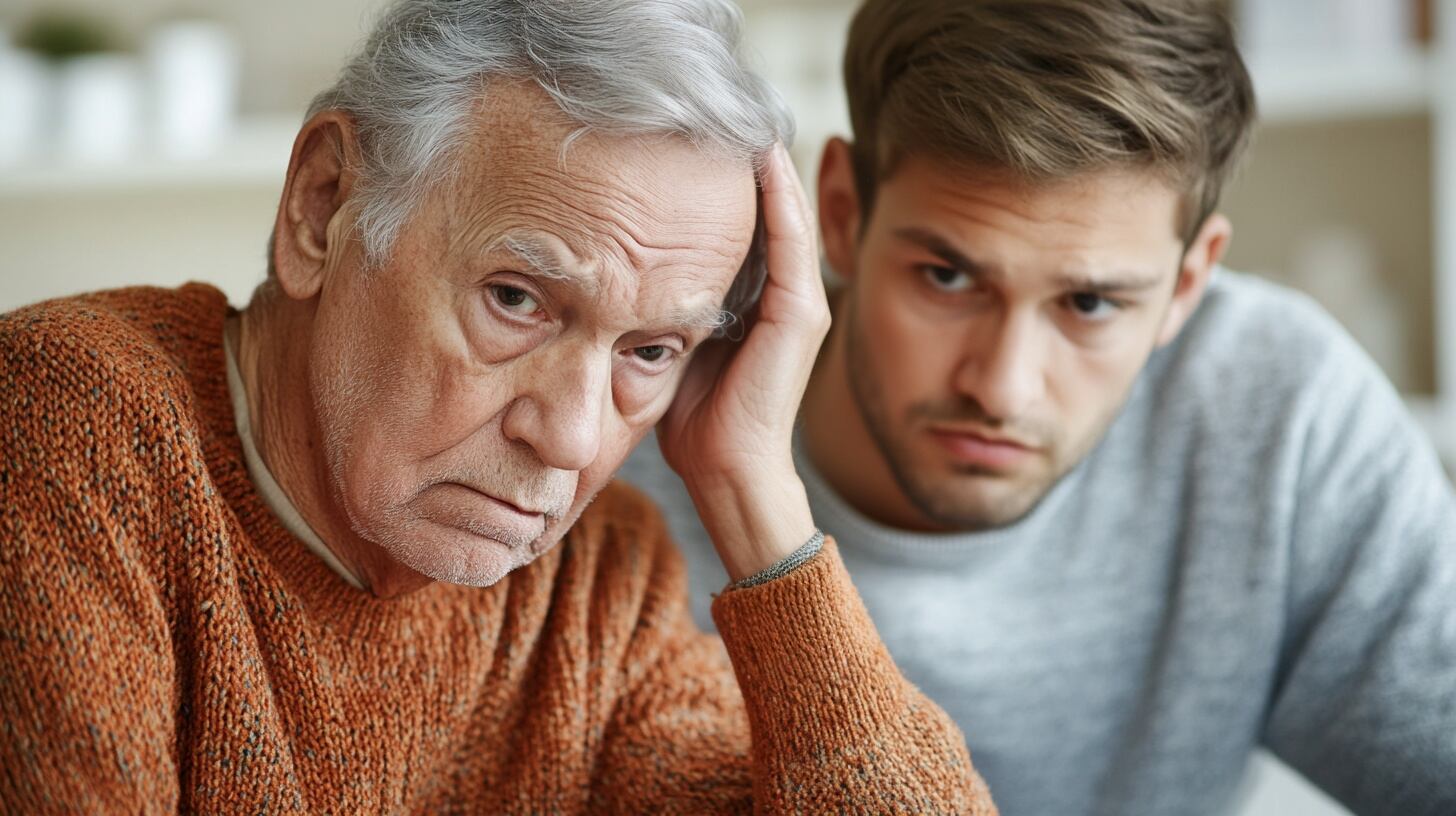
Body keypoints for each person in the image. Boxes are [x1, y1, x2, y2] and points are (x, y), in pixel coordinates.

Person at [0, 1, 999, 813]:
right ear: (322, 204)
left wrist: (755, 496)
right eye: (517, 300)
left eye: (650, 351)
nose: (567, 438)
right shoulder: (65, 423)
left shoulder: (603, 584)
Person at [620, 0, 1456, 813]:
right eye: (947, 278)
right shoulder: (617, 417)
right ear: (839, 212)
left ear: (1188, 283)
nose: (1004, 387)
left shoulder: (1286, 421)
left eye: (1089, 304)